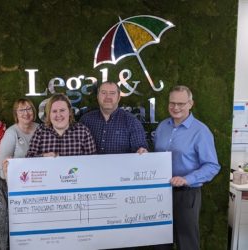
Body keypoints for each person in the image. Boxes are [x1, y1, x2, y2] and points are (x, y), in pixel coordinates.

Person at [154, 85, 220, 250]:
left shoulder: (201, 131)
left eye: (181, 104)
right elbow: (157, 157)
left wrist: (186, 179)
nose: (175, 107)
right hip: (160, 194)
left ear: (191, 104)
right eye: (172, 103)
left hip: (186, 195)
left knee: (187, 243)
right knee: (160, 241)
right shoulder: (162, 126)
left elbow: (212, 166)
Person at [80, 81, 148, 154]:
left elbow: (141, 151)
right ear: (97, 96)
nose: (107, 97)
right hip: (90, 165)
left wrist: (142, 151)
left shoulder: (132, 122)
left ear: (119, 98)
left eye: (112, 93)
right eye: (103, 93)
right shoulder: (86, 120)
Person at [26, 93, 96, 157]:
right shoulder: (40, 131)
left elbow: (92, 160)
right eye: (54, 111)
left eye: (62, 110)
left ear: (70, 112)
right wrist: (43, 156)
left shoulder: (83, 131)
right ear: (49, 114)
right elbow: (29, 157)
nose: (58, 115)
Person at [0, 98, 39, 178]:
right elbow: (2, 166)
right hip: (19, 180)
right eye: (21, 110)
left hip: (41, 177)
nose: (26, 113)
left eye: (29, 109)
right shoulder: (11, 133)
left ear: (33, 111)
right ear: (16, 114)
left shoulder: (41, 129)